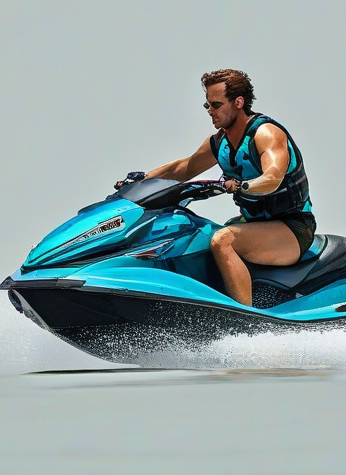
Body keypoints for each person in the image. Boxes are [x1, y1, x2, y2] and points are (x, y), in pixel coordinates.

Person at [116, 69, 315, 306]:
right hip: (255, 225)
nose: (210, 111)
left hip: (292, 228)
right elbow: (186, 168)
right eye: (207, 105)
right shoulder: (220, 142)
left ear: (238, 102)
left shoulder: (266, 134)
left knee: (223, 240)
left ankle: (247, 322)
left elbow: (272, 176)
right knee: (195, 236)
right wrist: (143, 178)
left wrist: (243, 185)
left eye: (217, 104)